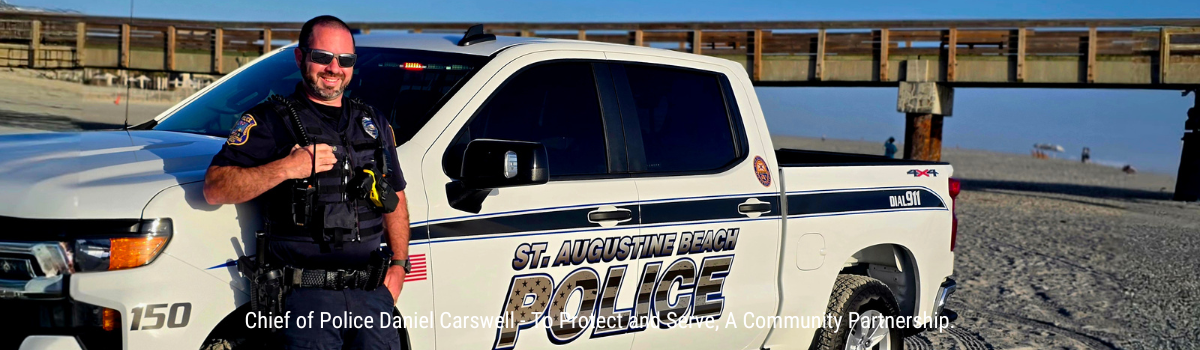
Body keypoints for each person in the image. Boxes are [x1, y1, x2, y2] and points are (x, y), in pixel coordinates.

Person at [202, 15, 407, 349]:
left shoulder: (373, 122)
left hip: (372, 296)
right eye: (322, 57)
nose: (333, 68)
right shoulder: (269, 121)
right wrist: (288, 168)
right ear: (300, 58)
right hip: (305, 300)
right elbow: (215, 187)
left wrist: (399, 265)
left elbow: (395, 196)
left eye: (345, 60)